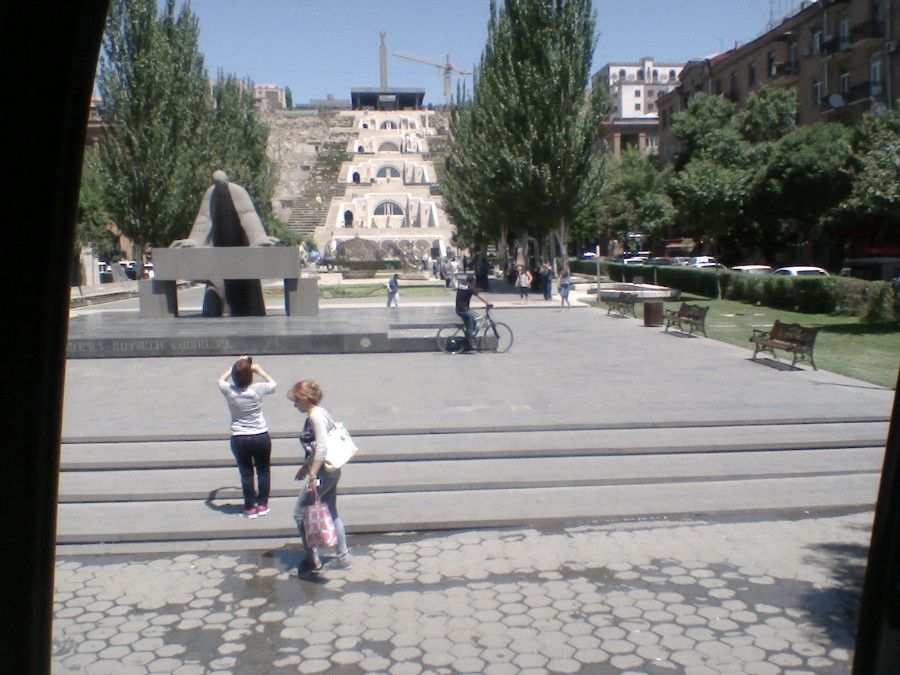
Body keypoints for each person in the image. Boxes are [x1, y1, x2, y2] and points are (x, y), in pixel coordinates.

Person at [288, 380, 352, 575]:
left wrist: (313, 474)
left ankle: (312, 558)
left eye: (296, 401)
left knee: (300, 513)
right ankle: (343, 557)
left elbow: (322, 447)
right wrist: (306, 465)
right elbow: (316, 446)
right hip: (331, 471)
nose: (294, 405)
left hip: (323, 473)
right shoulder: (319, 411)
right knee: (331, 512)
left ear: (305, 399)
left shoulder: (315, 416)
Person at [217, 356, 276, 518]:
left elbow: (220, 380)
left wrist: (235, 366)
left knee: (246, 473)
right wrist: (259, 370)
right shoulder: (258, 389)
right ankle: (262, 504)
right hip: (260, 435)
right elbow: (273, 384)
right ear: (251, 375)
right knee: (263, 471)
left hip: (239, 437)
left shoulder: (229, 390)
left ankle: (249, 507)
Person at [456, 274, 492, 352]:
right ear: (472, 282)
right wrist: (488, 303)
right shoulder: (470, 288)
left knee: (474, 319)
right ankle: (471, 344)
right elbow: (480, 297)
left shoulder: (461, 285)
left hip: (459, 309)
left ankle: (469, 338)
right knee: (470, 321)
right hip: (463, 310)